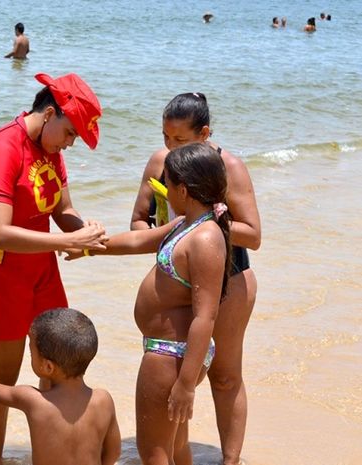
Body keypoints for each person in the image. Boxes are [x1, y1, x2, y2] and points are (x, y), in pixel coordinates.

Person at [0, 72, 108, 462]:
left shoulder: (52, 150)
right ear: (50, 113)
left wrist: (86, 232)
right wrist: (68, 241)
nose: (70, 144)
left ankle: (54, 453)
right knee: (3, 378)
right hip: (3, 274)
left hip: (43, 270)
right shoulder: (4, 147)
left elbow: (63, 211)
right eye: (70, 134)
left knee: (58, 369)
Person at [70, 143, 231, 465]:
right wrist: (88, 247)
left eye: (167, 184)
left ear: (183, 189)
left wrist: (186, 384)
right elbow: (136, 240)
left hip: (171, 354)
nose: (164, 191)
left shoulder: (205, 238)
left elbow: (205, 316)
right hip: (173, 353)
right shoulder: (187, 223)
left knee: (153, 452)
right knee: (174, 446)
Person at [130, 93, 261, 465]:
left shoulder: (228, 166)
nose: (170, 148)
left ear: (204, 134)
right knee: (173, 371)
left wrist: (201, 224)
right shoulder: (160, 163)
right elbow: (138, 221)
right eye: (165, 138)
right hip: (180, 275)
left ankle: (230, 460)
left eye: (180, 141)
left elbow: (253, 233)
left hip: (229, 277)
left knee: (224, 376)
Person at [0, 308, 121, 465]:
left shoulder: (34, 400)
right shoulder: (103, 400)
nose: (31, 356)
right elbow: (114, 452)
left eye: (32, 353)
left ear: (48, 367)